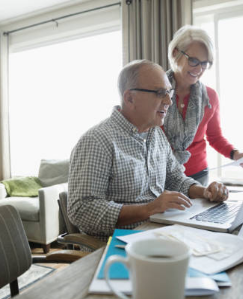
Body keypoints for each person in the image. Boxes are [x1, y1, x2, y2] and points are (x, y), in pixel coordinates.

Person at [68, 60, 229, 241]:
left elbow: (175, 177)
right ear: (130, 98)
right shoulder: (97, 141)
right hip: (119, 245)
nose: (169, 101)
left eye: (169, 92)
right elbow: (81, 210)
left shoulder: (156, 134)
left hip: (160, 232)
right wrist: (149, 209)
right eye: (160, 93)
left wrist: (204, 191)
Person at [163, 25, 243, 186]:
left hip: (199, 176)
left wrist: (236, 155)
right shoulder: (155, 92)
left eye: (205, 63)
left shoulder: (210, 97)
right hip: (161, 175)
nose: (199, 69)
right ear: (175, 53)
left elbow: (214, 137)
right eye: (193, 61)